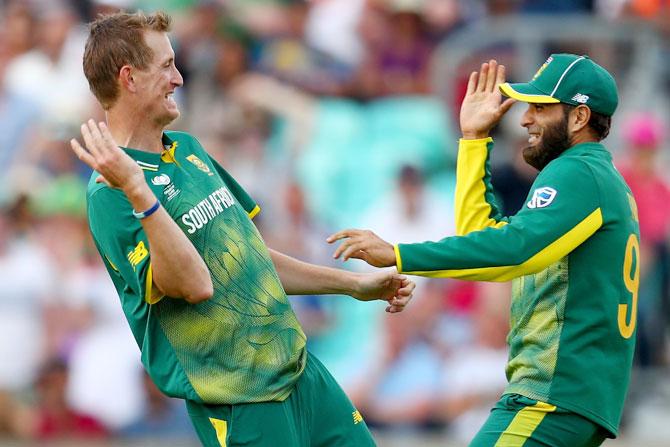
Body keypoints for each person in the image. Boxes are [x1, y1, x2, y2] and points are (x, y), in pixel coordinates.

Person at [69, 11, 415, 447]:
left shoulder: (189, 150)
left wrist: (353, 285)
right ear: (129, 78)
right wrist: (139, 192)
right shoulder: (111, 193)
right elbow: (195, 284)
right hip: (241, 401)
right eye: (166, 66)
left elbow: (252, 258)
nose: (178, 78)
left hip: (301, 374)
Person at [329, 54, 637, 446]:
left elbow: (514, 251)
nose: (525, 118)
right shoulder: (594, 176)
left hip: (551, 397)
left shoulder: (577, 171)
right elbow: (484, 242)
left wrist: (398, 254)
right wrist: (474, 143)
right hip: (567, 397)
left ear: (578, 118)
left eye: (540, 107)